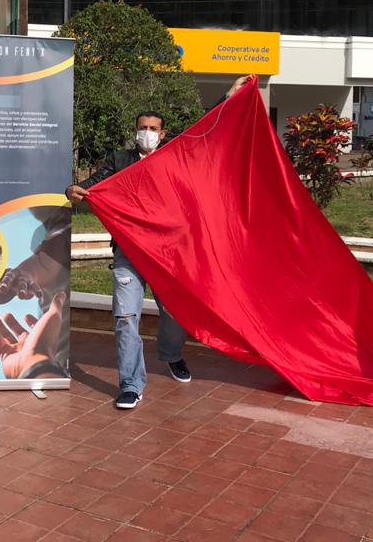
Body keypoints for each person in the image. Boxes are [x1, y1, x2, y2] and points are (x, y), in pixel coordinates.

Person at [66, 76, 251, 409]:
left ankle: (171, 354)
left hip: (170, 256)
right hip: (129, 253)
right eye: (142, 127)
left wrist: (229, 97)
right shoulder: (119, 160)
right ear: (135, 130)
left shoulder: (175, 156)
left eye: (153, 128)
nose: (147, 132)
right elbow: (92, 185)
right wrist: (73, 190)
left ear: (162, 133)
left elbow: (204, 134)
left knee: (176, 314)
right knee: (125, 318)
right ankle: (131, 384)